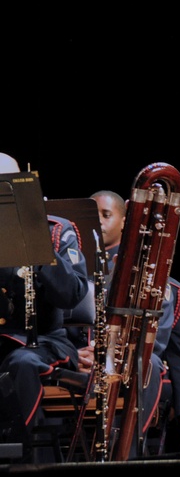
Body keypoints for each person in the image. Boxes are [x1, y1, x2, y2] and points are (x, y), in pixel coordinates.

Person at [74, 189, 180, 457]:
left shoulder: (173, 291)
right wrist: (73, 354)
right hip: (85, 365)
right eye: (93, 215)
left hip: (139, 371)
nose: (98, 221)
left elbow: (178, 358)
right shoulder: (74, 273)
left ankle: (126, 454)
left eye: (106, 215)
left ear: (125, 222)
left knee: (149, 363)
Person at [0, 153, 90, 452]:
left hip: (42, 342)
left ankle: (35, 462)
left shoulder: (56, 231)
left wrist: (36, 241)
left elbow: (71, 294)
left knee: (22, 364)